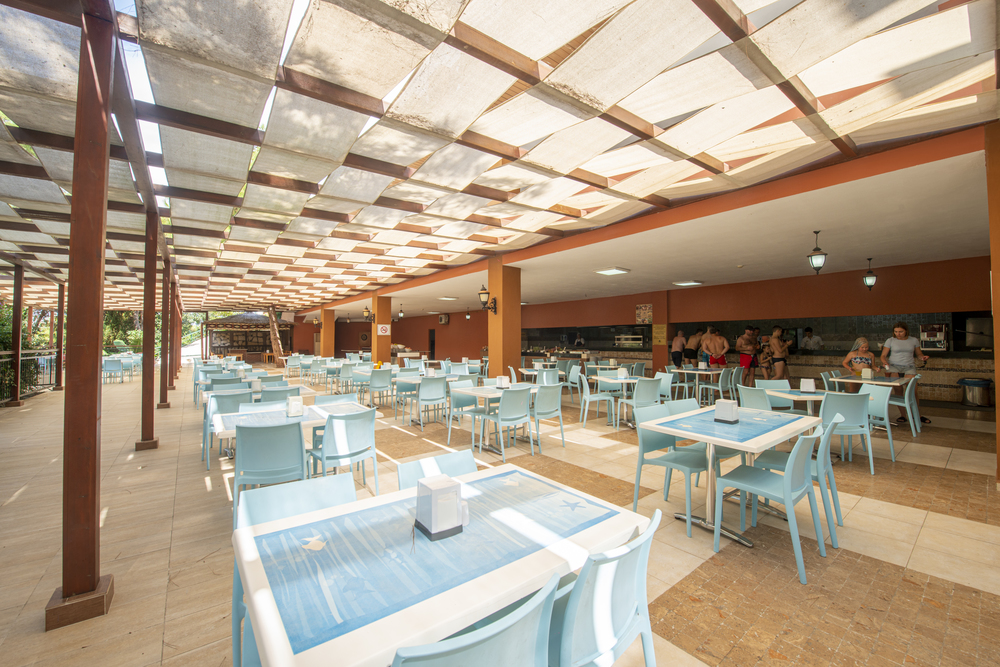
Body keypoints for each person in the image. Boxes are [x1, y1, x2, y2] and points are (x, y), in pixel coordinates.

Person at [880, 322, 931, 424]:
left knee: (913, 392)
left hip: (909, 367)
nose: (898, 334)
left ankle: (917, 415)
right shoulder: (890, 340)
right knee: (898, 391)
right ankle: (903, 415)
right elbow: (883, 355)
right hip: (894, 367)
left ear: (906, 331)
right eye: (896, 332)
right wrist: (884, 362)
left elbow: (918, 353)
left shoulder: (913, 340)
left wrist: (922, 357)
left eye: (901, 332)